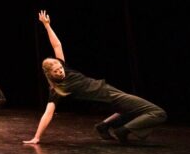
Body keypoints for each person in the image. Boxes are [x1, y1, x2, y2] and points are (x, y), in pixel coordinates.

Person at [24, 10, 167, 145]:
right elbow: (47, 115)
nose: (61, 71)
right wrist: (37, 137)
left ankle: (104, 126)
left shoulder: (63, 67)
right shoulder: (57, 90)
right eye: (56, 71)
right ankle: (122, 131)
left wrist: (47, 25)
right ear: (50, 75)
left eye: (60, 68)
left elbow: (57, 45)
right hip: (109, 96)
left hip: (108, 91)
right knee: (158, 112)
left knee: (132, 109)